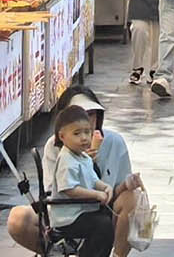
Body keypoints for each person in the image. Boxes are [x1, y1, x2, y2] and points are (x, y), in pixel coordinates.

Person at [7, 87, 143, 254]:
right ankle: (56, 250)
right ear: (62, 131)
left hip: (106, 210)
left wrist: (125, 184)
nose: (87, 125)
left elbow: (116, 192)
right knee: (18, 218)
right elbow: (58, 192)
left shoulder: (115, 142)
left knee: (132, 197)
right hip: (68, 214)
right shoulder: (58, 149)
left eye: (91, 115)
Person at [49, 104, 142, 257]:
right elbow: (70, 189)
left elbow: (93, 179)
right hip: (68, 217)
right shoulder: (66, 160)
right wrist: (96, 195)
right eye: (77, 134)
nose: (84, 138)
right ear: (62, 136)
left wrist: (105, 187)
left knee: (106, 224)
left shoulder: (82, 156)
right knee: (102, 226)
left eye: (87, 132)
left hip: (82, 211)